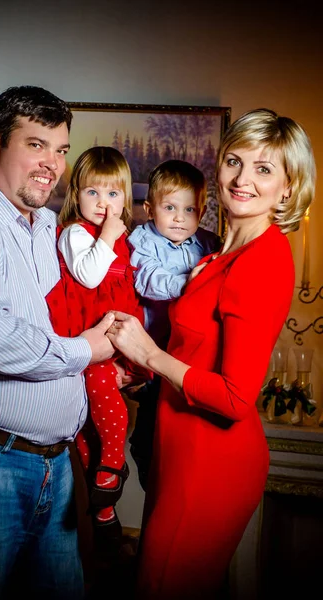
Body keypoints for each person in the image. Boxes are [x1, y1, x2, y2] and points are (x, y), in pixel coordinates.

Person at [106, 108, 316, 599]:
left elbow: (236, 397)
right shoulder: (219, 253)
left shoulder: (261, 261)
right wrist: (145, 372)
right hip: (178, 450)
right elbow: (197, 353)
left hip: (211, 462)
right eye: (234, 161)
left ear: (288, 186)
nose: (243, 179)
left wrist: (150, 354)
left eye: (264, 169)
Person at [0, 85, 116, 600]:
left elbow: (58, 321)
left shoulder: (46, 225)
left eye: (60, 149)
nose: (51, 163)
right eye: (36, 145)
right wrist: (86, 351)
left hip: (54, 465)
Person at [45, 146, 149, 552]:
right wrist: (107, 234)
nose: (103, 204)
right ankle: (109, 465)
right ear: (76, 195)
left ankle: (102, 503)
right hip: (87, 337)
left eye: (113, 195)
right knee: (95, 409)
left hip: (115, 337)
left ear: (126, 199)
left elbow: (129, 290)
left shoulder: (125, 241)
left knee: (98, 406)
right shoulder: (74, 232)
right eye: (93, 193)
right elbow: (88, 278)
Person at [127, 159, 221, 490]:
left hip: (191, 359)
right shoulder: (141, 240)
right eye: (170, 207)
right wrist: (191, 284)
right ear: (150, 208)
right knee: (150, 436)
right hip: (154, 357)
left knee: (188, 439)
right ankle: (151, 481)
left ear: (203, 210)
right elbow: (149, 280)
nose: (180, 218)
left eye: (190, 209)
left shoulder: (209, 243)